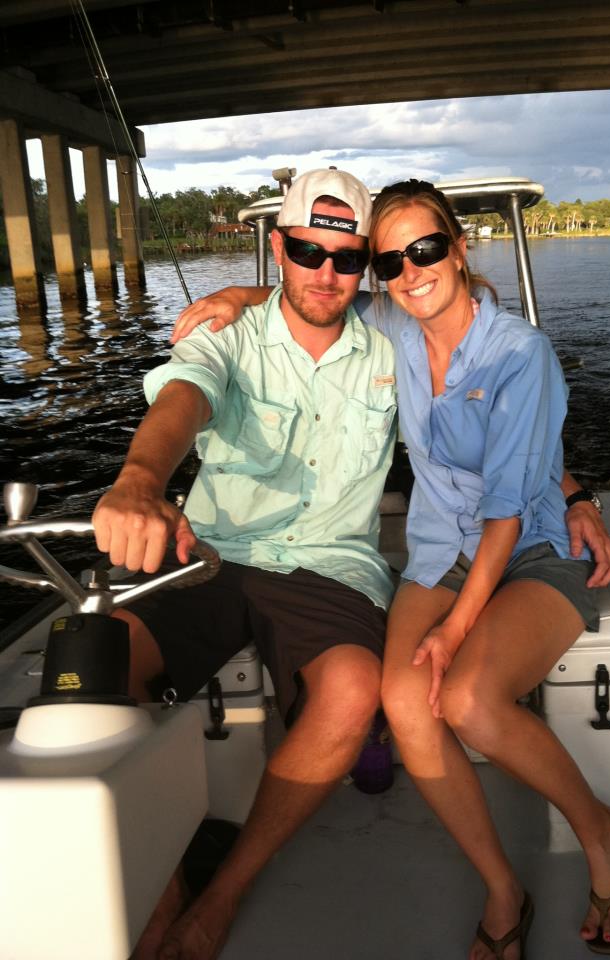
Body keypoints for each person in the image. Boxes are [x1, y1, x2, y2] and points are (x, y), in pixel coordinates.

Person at [174, 177, 610, 960]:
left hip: (526, 546)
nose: (409, 270)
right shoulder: (390, 321)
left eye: (425, 250)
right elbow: (312, 294)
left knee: (465, 698)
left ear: (459, 250)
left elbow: (504, 506)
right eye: (389, 260)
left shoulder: (520, 352)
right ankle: (501, 884)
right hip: (435, 550)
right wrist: (235, 293)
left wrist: (459, 623)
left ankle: (601, 831)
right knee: (404, 698)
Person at [92, 168, 399, 960]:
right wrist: (137, 482)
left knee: (355, 688)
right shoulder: (222, 332)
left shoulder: (392, 337)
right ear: (278, 248)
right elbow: (182, 397)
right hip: (215, 553)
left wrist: (569, 492)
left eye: (347, 256)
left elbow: (477, 323)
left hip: (329, 565)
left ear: (365, 262)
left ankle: (219, 898)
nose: (325, 272)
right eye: (307, 251)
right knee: (98, 659)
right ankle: (161, 905)